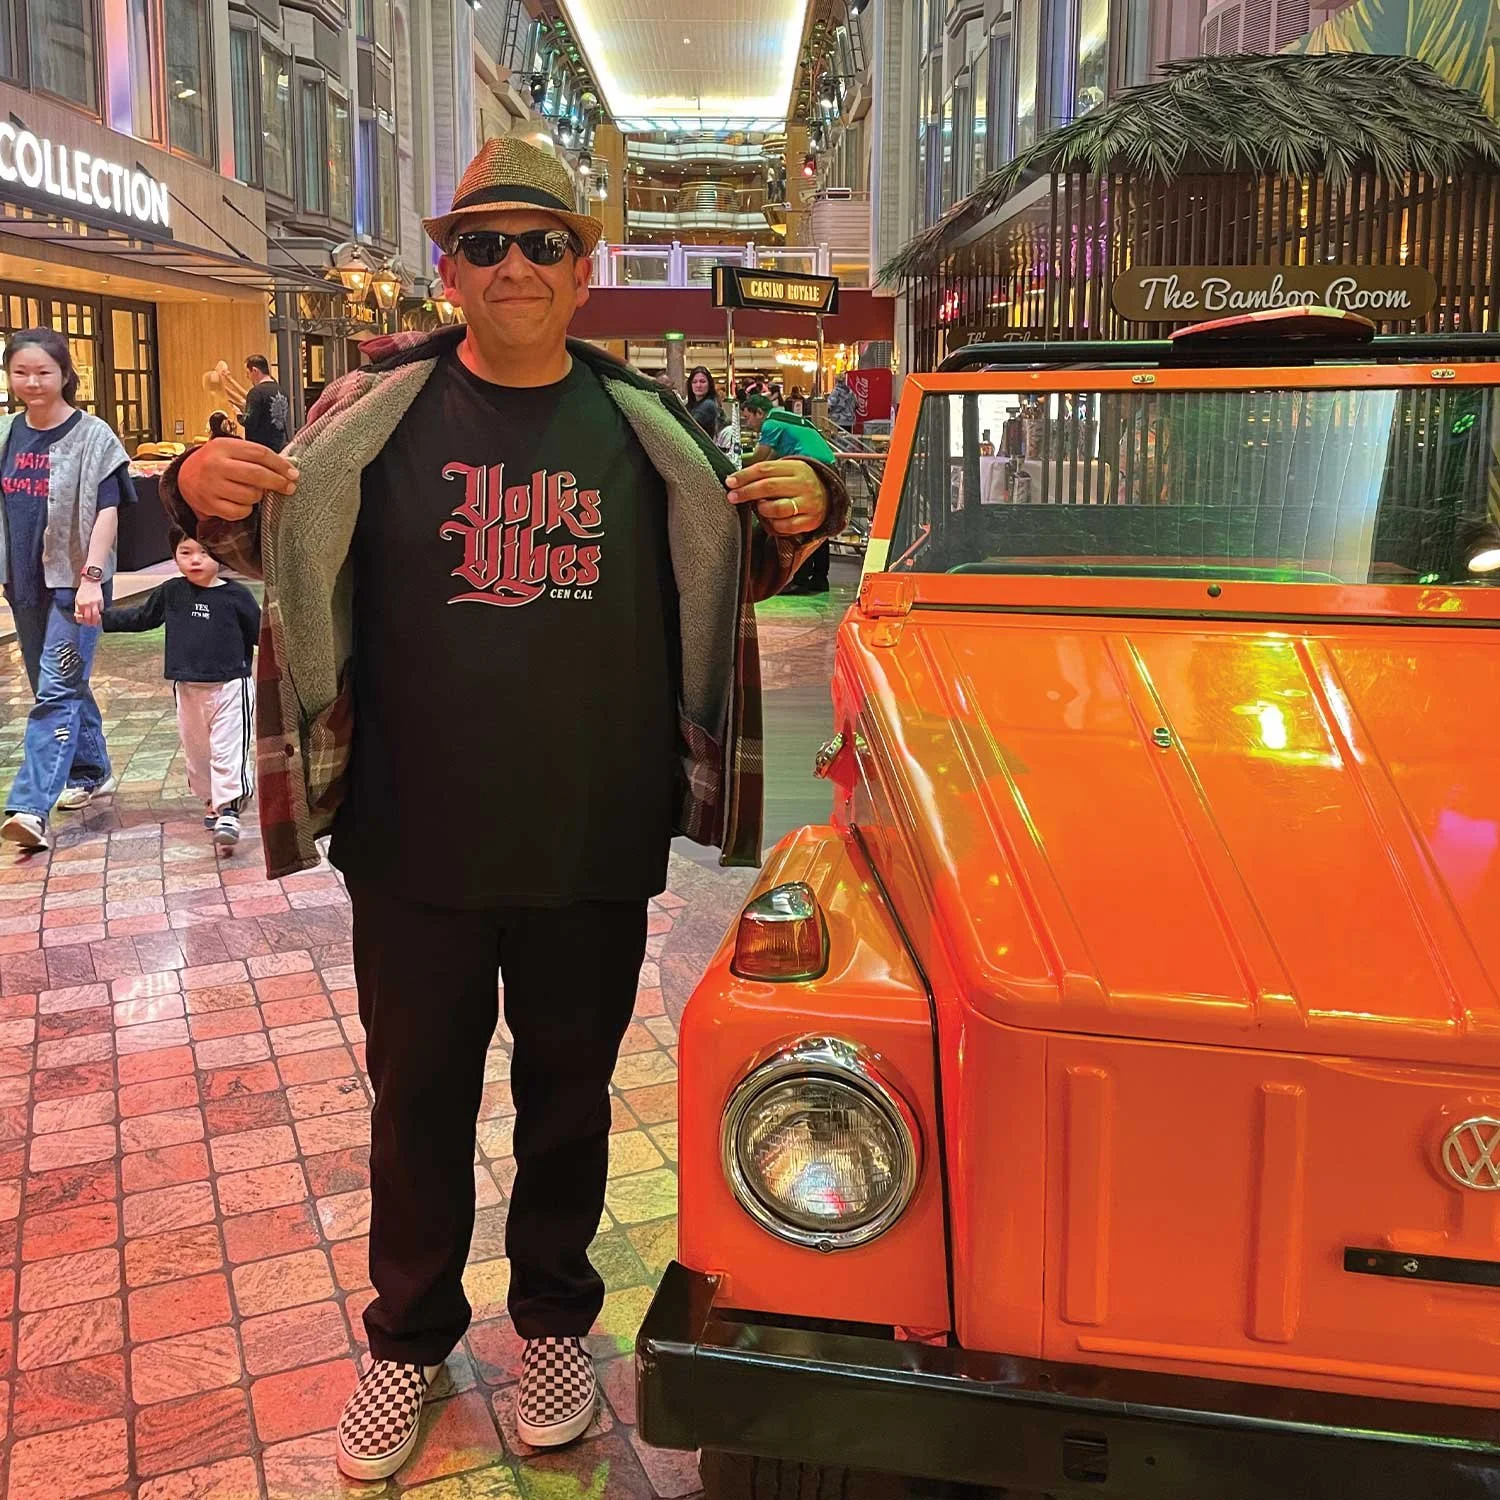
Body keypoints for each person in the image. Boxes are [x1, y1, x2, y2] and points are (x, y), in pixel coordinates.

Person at [161, 134, 846, 1483]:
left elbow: (748, 557)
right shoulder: (373, 413)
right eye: (485, 245)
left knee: (571, 1101)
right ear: (447, 268)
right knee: (416, 1101)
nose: (514, 267)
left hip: (590, 838)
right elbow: (267, 535)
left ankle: (551, 1327)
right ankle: (409, 1342)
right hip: (412, 840)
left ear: (586, 269)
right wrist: (189, 485)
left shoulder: (646, 431)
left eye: (542, 244)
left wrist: (815, 498)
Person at [0, 328, 135, 849]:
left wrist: (92, 579)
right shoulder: (8, 434)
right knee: (55, 685)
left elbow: (107, 510)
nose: (32, 382)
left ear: (65, 374)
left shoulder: (94, 436)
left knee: (55, 693)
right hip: (25, 585)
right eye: (21, 372)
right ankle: (91, 769)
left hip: (73, 585)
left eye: (43, 372)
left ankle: (29, 809)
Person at [101, 534, 259, 849]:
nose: (195, 560)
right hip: (187, 688)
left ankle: (229, 809)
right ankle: (212, 799)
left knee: (228, 747)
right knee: (198, 752)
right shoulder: (172, 592)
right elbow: (142, 617)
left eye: (205, 551)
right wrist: (100, 619)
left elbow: (261, 634)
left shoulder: (237, 597)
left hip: (231, 686)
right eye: (186, 552)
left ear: (221, 556)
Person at [742, 394, 839, 594]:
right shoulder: (783, 416)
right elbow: (772, 459)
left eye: (748, 417)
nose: (748, 423)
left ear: (759, 412)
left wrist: (732, 457)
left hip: (809, 466)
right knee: (820, 527)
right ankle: (820, 578)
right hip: (828, 466)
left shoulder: (770, 424)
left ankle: (800, 580)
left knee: (801, 524)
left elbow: (758, 457)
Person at [239, 355, 289, 452]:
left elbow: (250, 422)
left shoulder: (256, 392)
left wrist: (238, 414)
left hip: (260, 449)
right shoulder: (282, 391)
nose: (247, 377)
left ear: (254, 371)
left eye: (247, 373)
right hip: (280, 445)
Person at [685, 364, 724, 438]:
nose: (698, 385)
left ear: (709, 384)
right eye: (694, 382)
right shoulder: (691, 405)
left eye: (702, 381)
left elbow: (688, 427)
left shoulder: (708, 405)